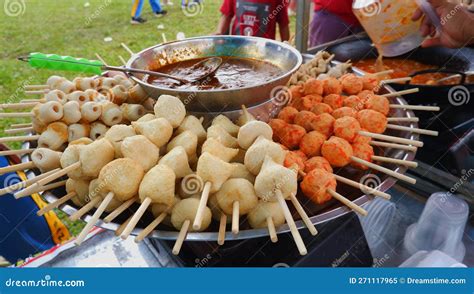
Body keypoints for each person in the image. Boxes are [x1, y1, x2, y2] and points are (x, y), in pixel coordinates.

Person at [215, 0, 290, 41]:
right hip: (237, 45)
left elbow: (283, 23)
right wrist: (219, 32)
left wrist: (285, 43)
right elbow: (226, 15)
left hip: (265, 50)